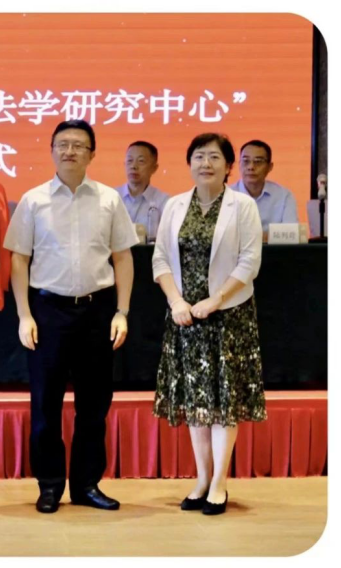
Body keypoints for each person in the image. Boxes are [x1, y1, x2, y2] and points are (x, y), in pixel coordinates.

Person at [4, 119, 138, 514]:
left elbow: (123, 257)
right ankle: (49, 486)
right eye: (62, 144)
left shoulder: (109, 200)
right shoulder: (33, 200)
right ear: (51, 151)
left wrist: (122, 311)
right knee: (45, 405)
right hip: (48, 311)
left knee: (94, 405)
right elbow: (19, 260)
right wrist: (24, 315)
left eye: (79, 145)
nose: (70, 151)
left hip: (97, 311)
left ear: (92, 154)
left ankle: (86, 485)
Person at [152, 133, 266, 516]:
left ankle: (219, 482)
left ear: (228, 165)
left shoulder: (243, 205)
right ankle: (202, 479)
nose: (206, 163)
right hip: (185, 317)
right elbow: (160, 259)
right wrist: (176, 301)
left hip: (228, 316)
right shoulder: (174, 205)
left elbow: (250, 262)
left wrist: (215, 300)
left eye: (215, 157)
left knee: (223, 402)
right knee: (196, 402)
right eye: (199, 156)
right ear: (189, 163)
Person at [232, 140, 298, 239]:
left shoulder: (284, 196)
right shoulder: (226, 195)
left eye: (258, 162)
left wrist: (247, 237)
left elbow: (292, 234)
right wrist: (270, 236)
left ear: (270, 167)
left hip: (274, 249)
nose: (251, 167)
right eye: (246, 161)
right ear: (239, 165)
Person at [115, 141, 169, 239]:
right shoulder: (111, 197)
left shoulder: (164, 201)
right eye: (129, 161)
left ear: (154, 168)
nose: (134, 166)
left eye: (141, 161)